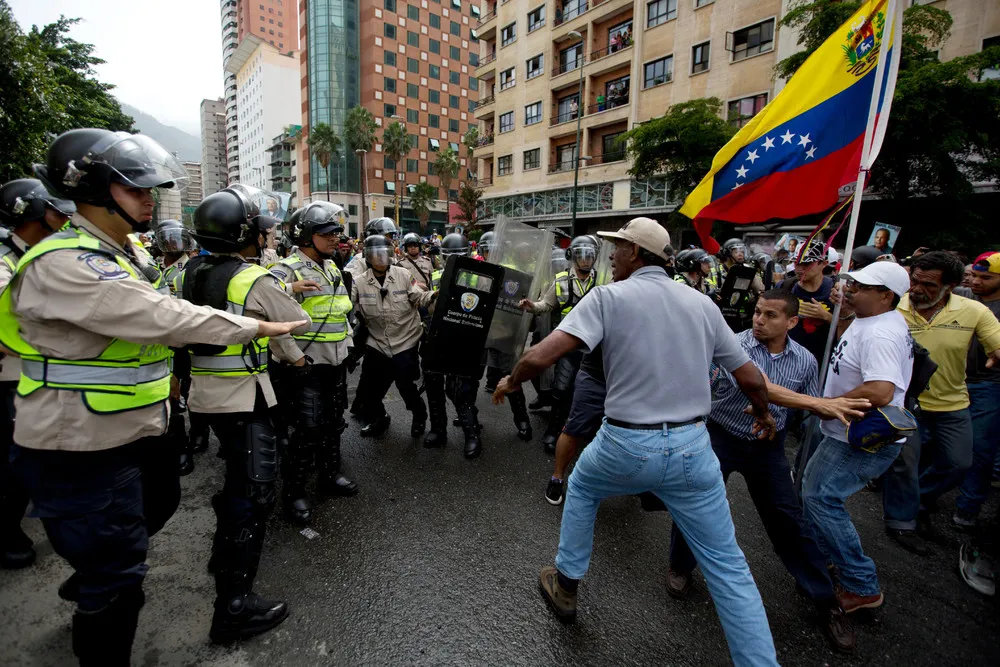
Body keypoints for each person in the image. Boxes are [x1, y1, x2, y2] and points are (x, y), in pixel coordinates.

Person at [0, 129, 305, 665]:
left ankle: (93, 572)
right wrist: (256, 327)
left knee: (157, 504)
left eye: (149, 190)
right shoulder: (67, 262)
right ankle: (99, 593)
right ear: (92, 191)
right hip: (81, 438)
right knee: (120, 577)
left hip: (138, 426)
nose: (149, 198)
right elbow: (164, 317)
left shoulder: (122, 252)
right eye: (133, 189)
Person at [494, 217, 780, 666]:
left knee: (583, 488)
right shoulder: (702, 303)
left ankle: (566, 586)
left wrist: (512, 381)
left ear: (636, 254)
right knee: (729, 568)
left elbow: (540, 355)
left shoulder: (609, 297)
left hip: (626, 442)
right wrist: (763, 413)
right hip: (692, 446)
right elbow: (749, 376)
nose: (610, 255)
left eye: (618, 247)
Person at [667, 290, 868, 653]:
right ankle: (680, 566)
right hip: (720, 435)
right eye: (758, 312)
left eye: (771, 315)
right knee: (696, 505)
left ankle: (825, 600)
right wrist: (815, 404)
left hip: (768, 447)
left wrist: (819, 414)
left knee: (788, 520)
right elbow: (758, 386)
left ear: (791, 322)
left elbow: (808, 409)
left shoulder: (805, 360)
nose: (759, 320)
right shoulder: (734, 345)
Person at [179, 184, 312, 644]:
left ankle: (221, 555)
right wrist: (296, 356)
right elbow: (295, 319)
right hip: (243, 395)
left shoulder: (188, 272)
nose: (267, 237)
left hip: (204, 398)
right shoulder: (251, 279)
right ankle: (233, 607)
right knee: (252, 494)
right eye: (262, 230)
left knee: (235, 478)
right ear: (244, 234)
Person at [800, 261, 914, 614]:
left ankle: (861, 585)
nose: (850, 289)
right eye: (853, 283)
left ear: (885, 296)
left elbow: (880, 390)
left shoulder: (881, 333)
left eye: (862, 287)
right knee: (815, 492)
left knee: (821, 498)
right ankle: (827, 557)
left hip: (856, 436)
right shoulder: (870, 321)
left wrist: (826, 404)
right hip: (843, 430)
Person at [882, 251, 1000, 551]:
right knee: (904, 465)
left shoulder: (975, 311)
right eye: (915, 281)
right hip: (905, 404)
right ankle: (902, 522)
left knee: (959, 463)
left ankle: (918, 501)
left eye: (929, 286)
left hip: (952, 404)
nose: (918, 290)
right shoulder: (893, 308)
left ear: (951, 286)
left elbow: (996, 342)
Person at [0, 178, 74, 570]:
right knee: (16, 463)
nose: (63, 218)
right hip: (10, 379)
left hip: (43, 376)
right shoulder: (6, 262)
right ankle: (7, 530)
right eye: (55, 210)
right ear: (31, 213)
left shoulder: (47, 256)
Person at [268, 201, 357, 524]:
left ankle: (330, 475)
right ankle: (293, 493)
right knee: (306, 430)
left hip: (334, 361)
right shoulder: (286, 269)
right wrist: (295, 356)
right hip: (305, 365)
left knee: (334, 423)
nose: (336, 238)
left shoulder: (332, 267)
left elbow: (339, 311)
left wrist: (347, 345)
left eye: (337, 232)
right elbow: (265, 303)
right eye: (328, 233)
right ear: (305, 235)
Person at [520, 235, 604, 453]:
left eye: (590, 255)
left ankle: (593, 434)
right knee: (560, 389)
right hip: (569, 346)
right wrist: (531, 306)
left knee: (594, 393)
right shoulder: (560, 281)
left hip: (596, 349)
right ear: (572, 257)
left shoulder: (604, 280)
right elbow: (546, 305)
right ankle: (553, 430)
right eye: (582, 255)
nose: (587, 260)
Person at [352, 234, 435, 438]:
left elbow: (418, 296)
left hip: (405, 339)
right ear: (367, 257)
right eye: (375, 254)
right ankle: (379, 418)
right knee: (371, 390)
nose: (381, 258)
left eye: (384, 253)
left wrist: (435, 295)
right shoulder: (359, 282)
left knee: (406, 385)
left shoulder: (403, 274)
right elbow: (347, 305)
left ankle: (419, 416)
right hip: (378, 342)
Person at [424, 233, 491, 457]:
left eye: (458, 256)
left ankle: (472, 436)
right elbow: (429, 307)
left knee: (461, 391)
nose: (453, 260)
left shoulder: (479, 276)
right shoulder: (435, 276)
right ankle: (438, 430)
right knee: (433, 388)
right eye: (449, 256)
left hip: (464, 340)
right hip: (438, 338)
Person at [151, 219, 201, 475]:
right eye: (168, 239)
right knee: (172, 393)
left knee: (188, 388)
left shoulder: (190, 268)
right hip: (162, 341)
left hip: (185, 338)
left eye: (177, 237)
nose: (173, 243)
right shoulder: (152, 268)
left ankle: (196, 437)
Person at [954, 252, 1000, 528]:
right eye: (976, 276)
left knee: (980, 449)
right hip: (952, 379)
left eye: (986, 278)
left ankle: (968, 505)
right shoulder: (961, 296)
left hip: (989, 384)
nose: (977, 282)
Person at [780, 241, 835, 365]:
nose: (799, 268)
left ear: (823, 264)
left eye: (806, 263)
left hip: (823, 362)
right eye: (797, 262)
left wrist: (826, 317)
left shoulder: (835, 291)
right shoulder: (785, 287)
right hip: (787, 361)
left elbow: (850, 329)